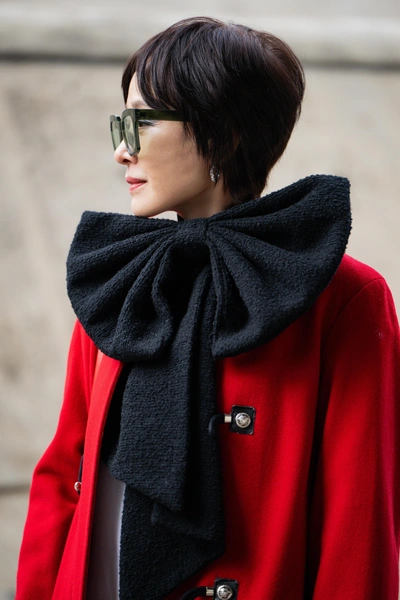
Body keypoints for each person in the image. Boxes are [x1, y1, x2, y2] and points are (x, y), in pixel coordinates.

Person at [15, 16, 400, 600]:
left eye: (142, 121)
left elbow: (358, 528)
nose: (121, 150)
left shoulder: (343, 300)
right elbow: (63, 475)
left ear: (223, 133)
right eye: (120, 124)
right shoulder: (120, 279)